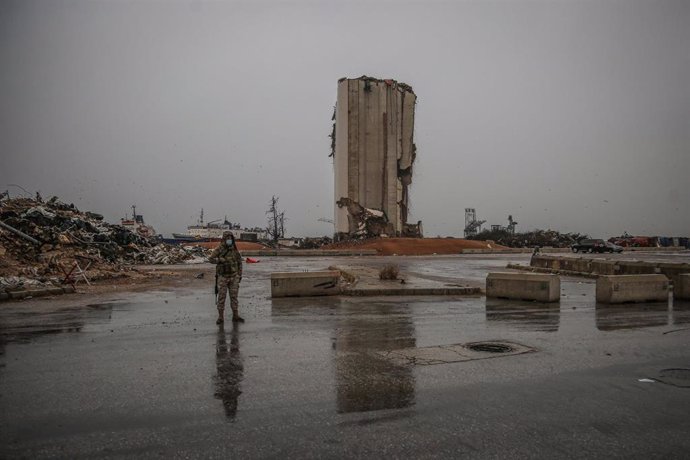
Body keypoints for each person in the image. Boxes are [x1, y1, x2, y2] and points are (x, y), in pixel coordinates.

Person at [209, 231, 244, 324]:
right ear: (224, 239)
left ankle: (235, 316)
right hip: (223, 277)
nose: (229, 240)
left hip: (233, 276)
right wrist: (220, 260)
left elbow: (239, 262)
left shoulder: (234, 250)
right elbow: (211, 259)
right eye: (227, 238)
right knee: (221, 297)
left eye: (231, 238)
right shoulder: (219, 249)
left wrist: (239, 274)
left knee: (234, 297)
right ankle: (221, 317)